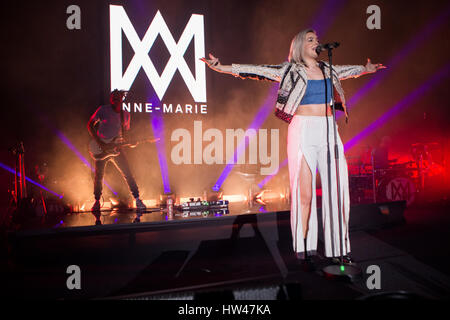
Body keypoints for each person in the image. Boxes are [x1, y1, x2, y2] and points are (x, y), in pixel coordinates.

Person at [201, 28, 385, 264]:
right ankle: (304, 248)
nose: (316, 42)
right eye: (311, 40)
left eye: (317, 39)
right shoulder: (289, 69)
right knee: (305, 194)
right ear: (299, 46)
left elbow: (348, 71)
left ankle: (339, 249)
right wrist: (221, 66)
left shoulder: (327, 68)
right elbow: (256, 70)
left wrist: (365, 69)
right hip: (303, 128)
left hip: (329, 129)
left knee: (337, 191)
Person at [87, 89, 146, 211]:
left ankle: (138, 200)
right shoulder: (103, 110)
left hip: (116, 149)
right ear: (110, 99)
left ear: (121, 99)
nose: (114, 99)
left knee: (128, 174)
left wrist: (132, 144)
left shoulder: (126, 115)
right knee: (99, 176)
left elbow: (126, 137)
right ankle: (97, 202)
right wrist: (99, 142)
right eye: (112, 97)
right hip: (101, 148)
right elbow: (90, 125)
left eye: (117, 97)